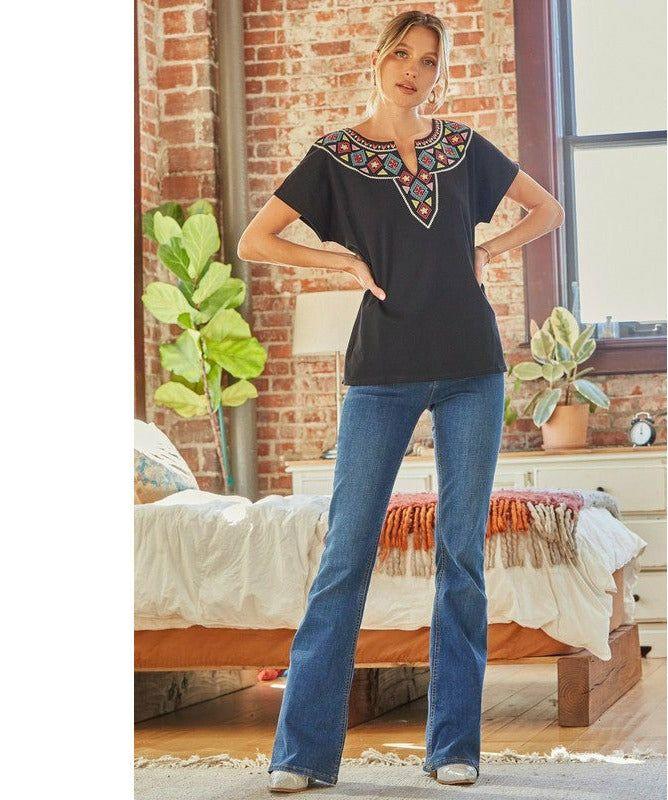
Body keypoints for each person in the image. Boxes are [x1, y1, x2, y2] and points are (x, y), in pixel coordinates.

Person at [237, 10, 564, 793]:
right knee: (346, 552)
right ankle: (301, 755)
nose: (413, 70)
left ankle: (454, 747)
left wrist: (487, 248)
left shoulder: (462, 148)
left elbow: (547, 210)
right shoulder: (337, 155)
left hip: (472, 368)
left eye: (428, 60)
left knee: (461, 553)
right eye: (403, 55)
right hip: (381, 370)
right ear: (379, 60)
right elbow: (256, 240)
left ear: (439, 72)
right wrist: (342, 263)